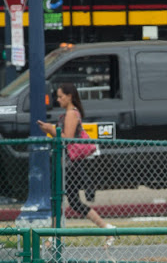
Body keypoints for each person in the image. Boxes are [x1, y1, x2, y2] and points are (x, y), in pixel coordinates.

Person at [38, 83, 115, 243]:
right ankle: (106, 228)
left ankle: (53, 238)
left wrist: (50, 130)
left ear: (69, 96)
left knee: (60, 199)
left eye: (60, 96)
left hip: (69, 166)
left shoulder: (72, 114)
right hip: (68, 165)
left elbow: (68, 138)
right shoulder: (69, 114)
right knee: (69, 200)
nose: (58, 100)